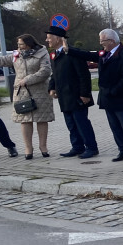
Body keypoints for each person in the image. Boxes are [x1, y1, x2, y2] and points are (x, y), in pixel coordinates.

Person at [68, 29, 123, 162]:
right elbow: (87, 55)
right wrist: (68, 49)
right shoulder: (104, 53)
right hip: (107, 97)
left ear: (111, 41)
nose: (101, 44)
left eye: (102, 41)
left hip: (120, 97)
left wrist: (114, 90)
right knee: (114, 126)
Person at [0, 34, 53, 159]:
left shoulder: (42, 53)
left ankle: (43, 146)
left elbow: (45, 71)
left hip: (40, 91)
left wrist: (28, 79)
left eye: (21, 44)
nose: (19, 47)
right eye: (18, 45)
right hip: (21, 92)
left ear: (29, 44)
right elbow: (2, 61)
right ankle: (28, 148)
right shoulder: (17, 55)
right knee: (25, 120)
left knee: (42, 119)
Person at [46, 24, 98, 158]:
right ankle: (77, 147)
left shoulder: (72, 53)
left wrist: (85, 94)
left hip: (77, 96)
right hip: (64, 96)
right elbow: (54, 74)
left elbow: (84, 75)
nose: (47, 40)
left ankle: (91, 147)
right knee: (71, 124)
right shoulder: (54, 55)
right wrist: (51, 87)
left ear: (58, 38)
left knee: (81, 123)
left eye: (49, 38)